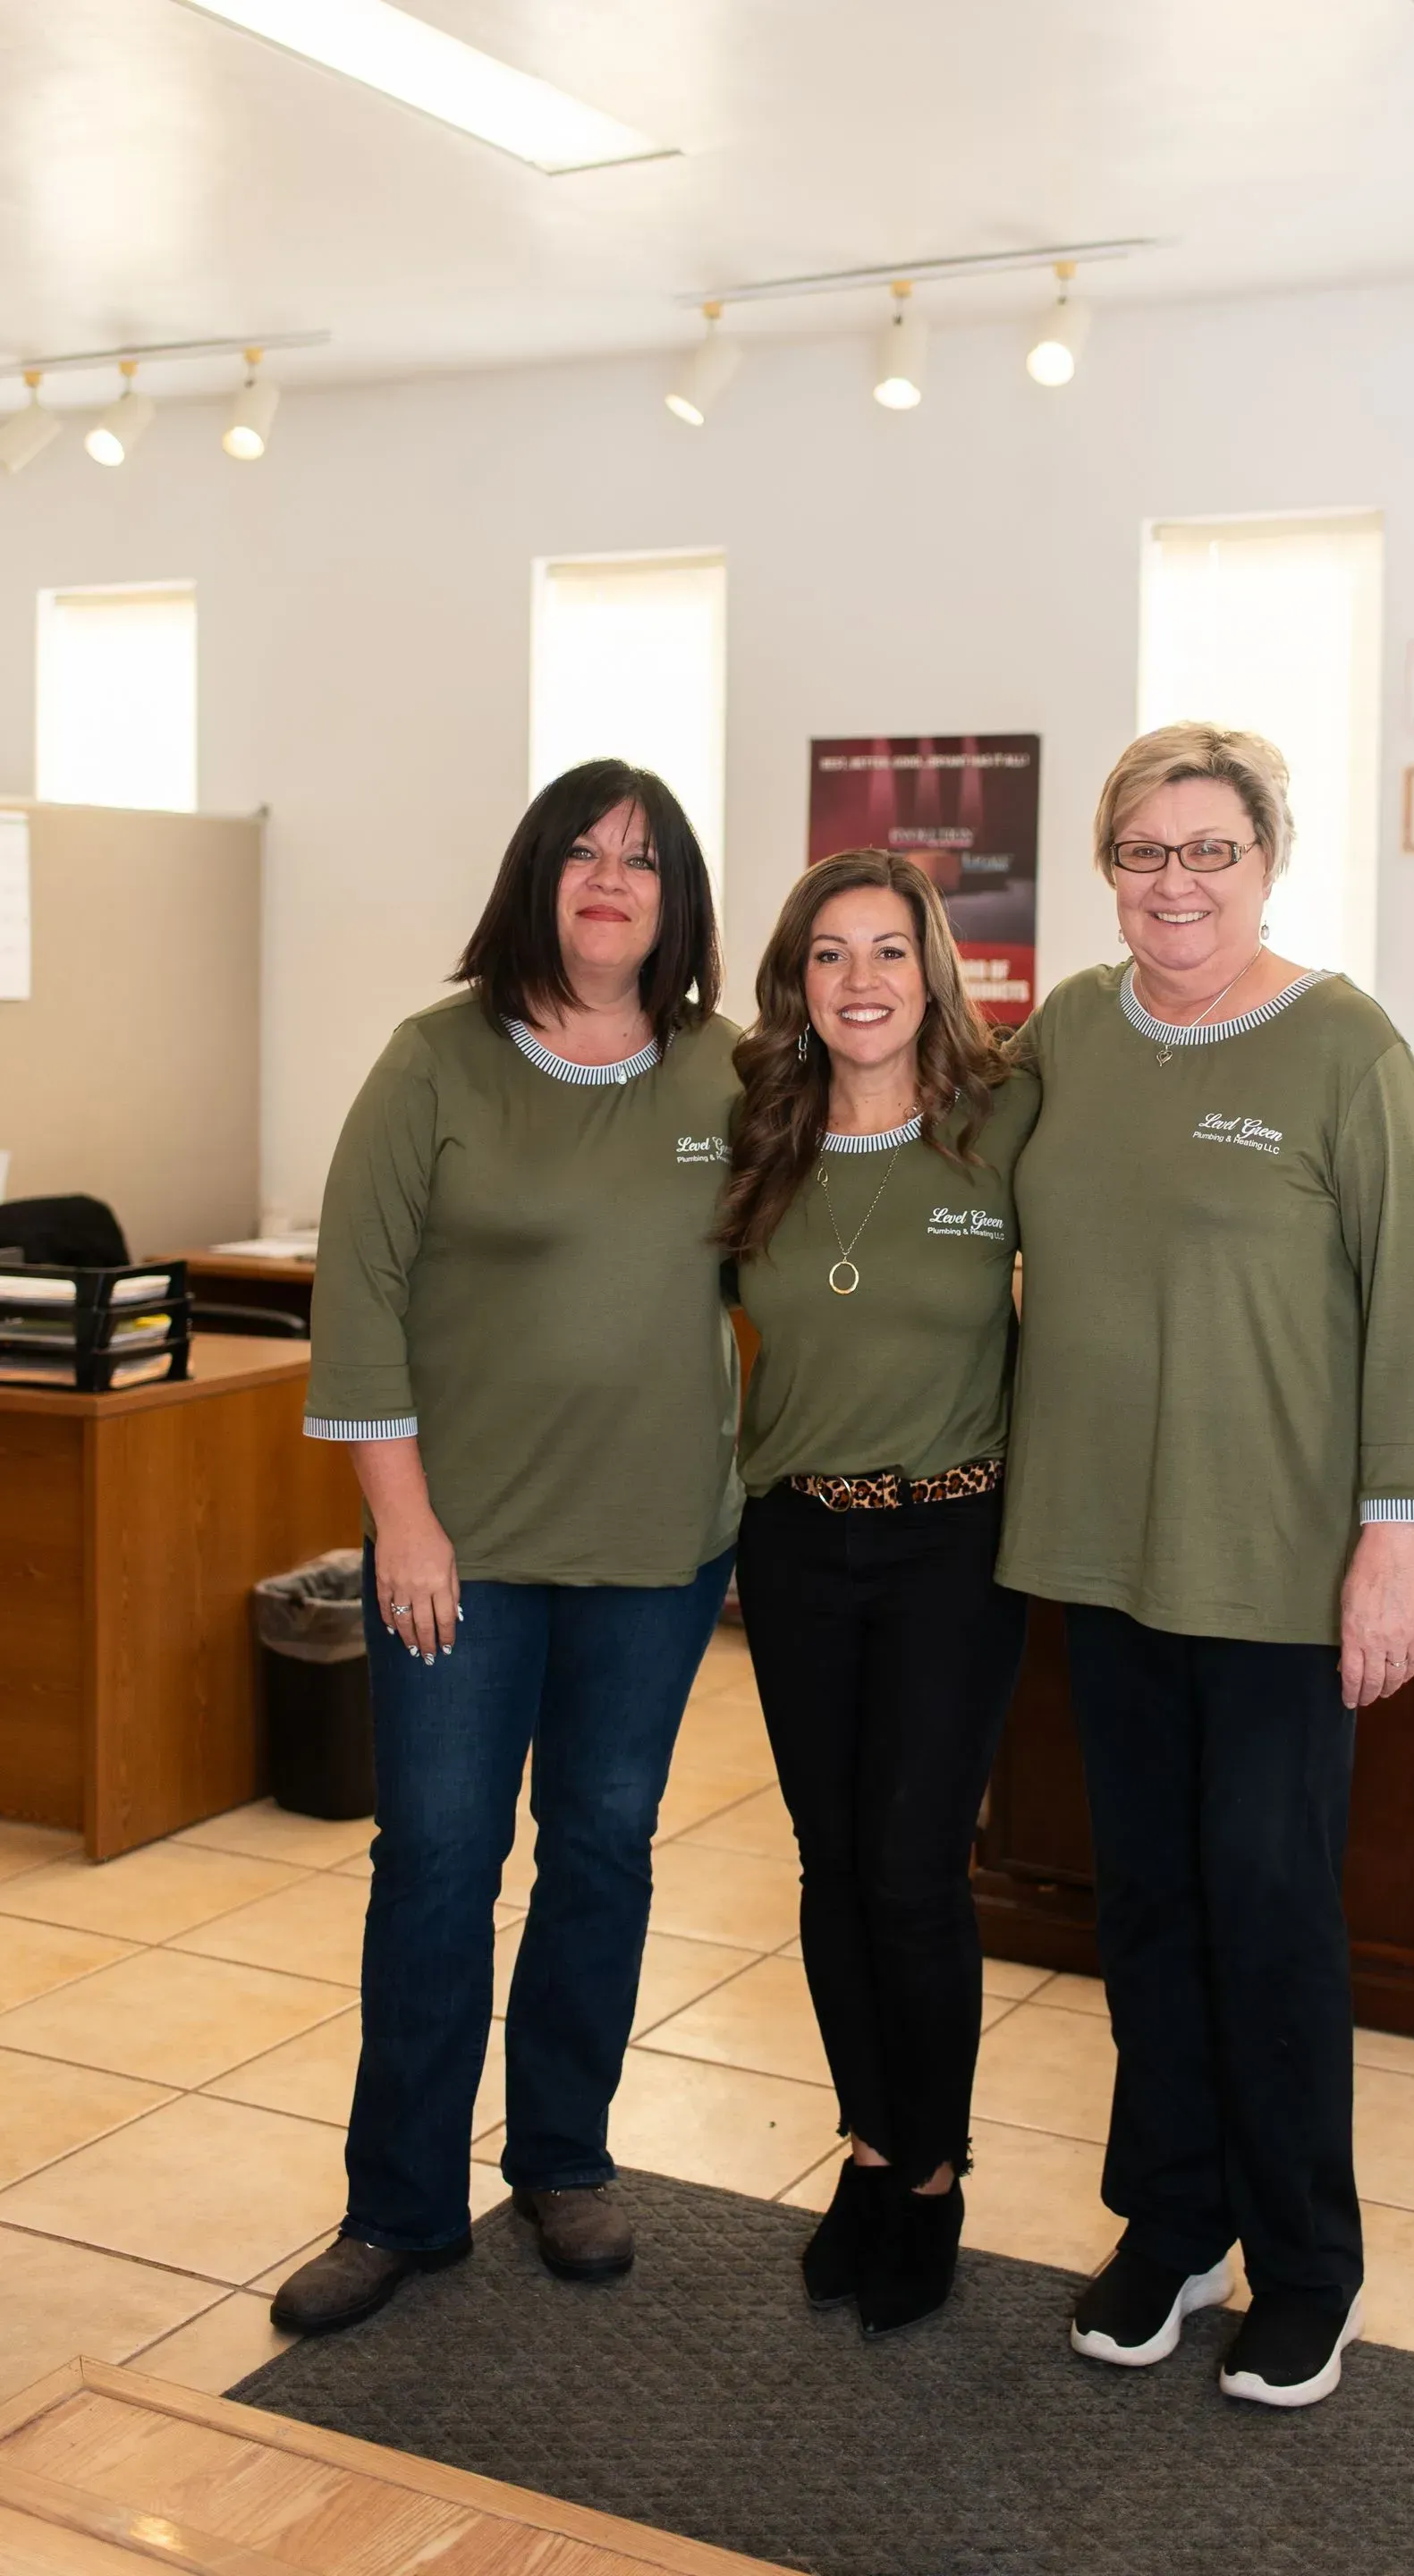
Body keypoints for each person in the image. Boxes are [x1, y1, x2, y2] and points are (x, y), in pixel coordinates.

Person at [999, 722, 1414, 2408]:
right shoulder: (1070, 1029)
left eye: (1210, 850)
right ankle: (1173, 2224)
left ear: (1268, 860)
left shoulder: (1345, 1046)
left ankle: (1306, 2264)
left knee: (1269, 1914)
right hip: (1108, 1554)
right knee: (1144, 1907)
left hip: (1280, 1571)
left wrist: (1398, 1556)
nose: (1176, 884)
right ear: (1109, 870)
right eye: (1144, 851)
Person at [272, 759, 741, 2335]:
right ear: (535, 875)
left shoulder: (725, 1075)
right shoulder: (435, 1062)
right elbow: (361, 1299)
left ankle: (564, 2159)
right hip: (457, 1556)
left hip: (658, 1550)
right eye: (583, 854)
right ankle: (400, 2205)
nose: (611, 880)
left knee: (601, 1852)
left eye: (644, 861)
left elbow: (827, 1261)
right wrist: (401, 1521)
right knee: (437, 1868)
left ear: (676, 902)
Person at [718, 851, 1039, 2335]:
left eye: (889, 952)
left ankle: (933, 2176)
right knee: (830, 1861)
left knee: (914, 1870)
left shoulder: (1005, 1123)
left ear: (934, 972)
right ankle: (867, 2143)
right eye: (832, 955)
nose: (862, 981)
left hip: (951, 1549)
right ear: (799, 980)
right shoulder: (753, 1140)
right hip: (794, 1547)